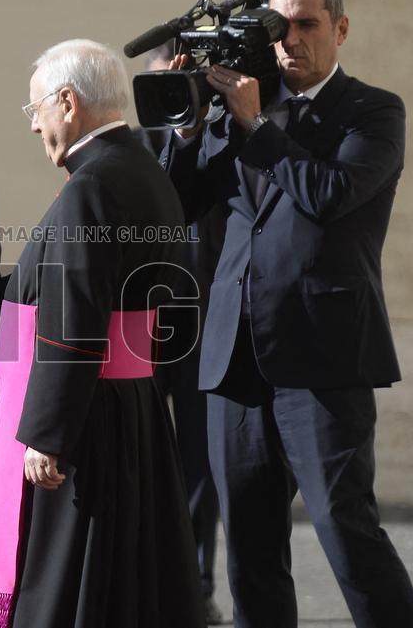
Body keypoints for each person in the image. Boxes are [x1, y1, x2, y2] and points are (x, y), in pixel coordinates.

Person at [164, 0, 413, 627]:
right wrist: (189, 129)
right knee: (249, 549)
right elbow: (177, 208)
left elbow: (329, 195)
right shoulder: (235, 111)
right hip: (234, 359)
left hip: (324, 358)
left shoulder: (372, 111)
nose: (291, 41)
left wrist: (256, 124)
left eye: (308, 24)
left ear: (340, 28)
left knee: (347, 532)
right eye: (279, 27)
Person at [0, 39, 204, 628]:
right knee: (123, 586)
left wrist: (47, 434)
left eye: (36, 109)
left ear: (68, 103)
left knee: (72, 588)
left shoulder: (91, 186)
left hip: (87, 421)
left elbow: (74, 317)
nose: (34, 126)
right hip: (130, 406)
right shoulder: (145, 170)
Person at [137, 39, 226, 626]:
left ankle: (196, 587)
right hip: (140, 328)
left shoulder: (220, 140)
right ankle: (140, 583)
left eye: (181, 82)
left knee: (200, 464)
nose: (171, 94)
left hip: (206, 323)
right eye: (159, 84)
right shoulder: (127, 149)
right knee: (138, 455)